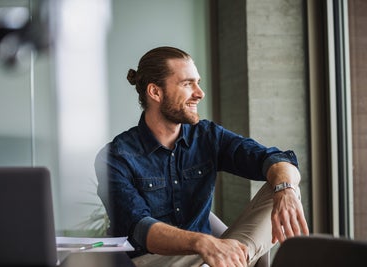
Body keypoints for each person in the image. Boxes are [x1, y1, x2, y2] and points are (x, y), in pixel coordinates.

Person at [95, 46, 309, 267]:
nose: (200, 93)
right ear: (155, 92)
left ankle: (234, 261)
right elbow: (140, 228)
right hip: (150, 261)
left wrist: (286, 190)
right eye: (187, 84)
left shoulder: (208, 136)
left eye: (198, 82)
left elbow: (272, 158)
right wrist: (204, 243)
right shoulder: (115, 157)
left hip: (210, 258)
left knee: (282, 184)